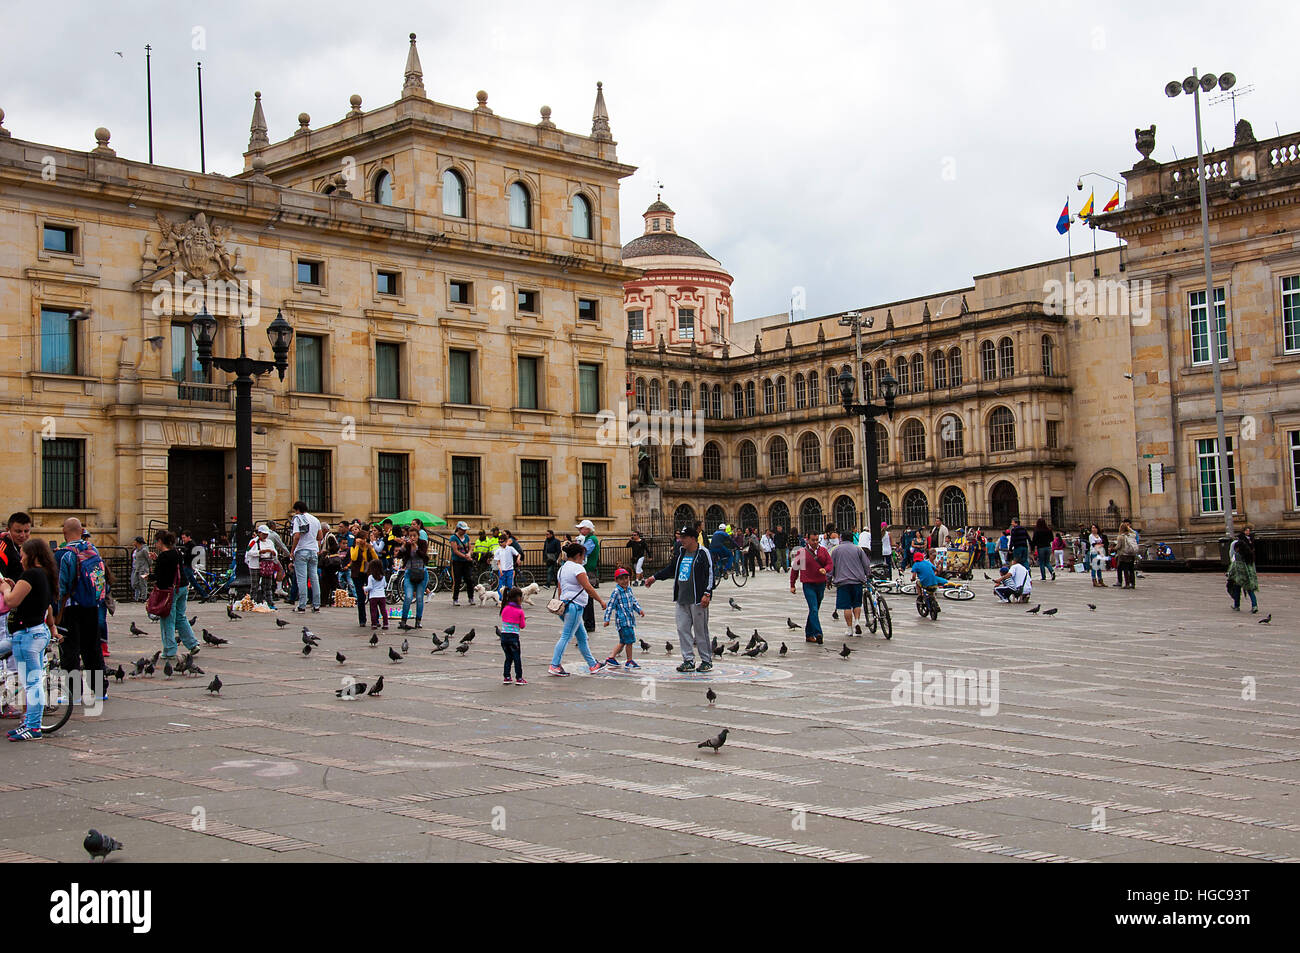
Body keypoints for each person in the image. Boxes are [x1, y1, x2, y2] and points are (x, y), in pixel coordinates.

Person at [0, 537, 59, 741]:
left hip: (28, 635)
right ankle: (30, 724)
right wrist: (15, 585)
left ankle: (33, 727)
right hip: (32, 633)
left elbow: (11, 600)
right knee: (30, 682)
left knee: (32, 683)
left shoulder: (32, 574)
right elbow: (30, 599)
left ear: (31, 555)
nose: (20, 558)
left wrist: (5, 588)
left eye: (23, 554)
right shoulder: (42, 574)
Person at [646, 526, 715, 672]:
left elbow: (710, 573)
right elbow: (671, 569)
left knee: (700, 630)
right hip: (682, 598)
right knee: (682, 629)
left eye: (684, 537)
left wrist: (707, 593)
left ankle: (706, 660)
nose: (681, 540)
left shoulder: (703, 553)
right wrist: (654, 577)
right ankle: (688, 660)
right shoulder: (681, 553)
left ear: (692, 538)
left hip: (697, 599)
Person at [55, 518, 107, 703]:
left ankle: (74, 693)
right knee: (92, 647)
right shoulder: (93, 549)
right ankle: (100, 689)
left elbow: (61, 586)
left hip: (72, 608)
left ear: (64, 532)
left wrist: (56, 608)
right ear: (82, 530)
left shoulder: (65, 554)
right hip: (92, 605)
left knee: (70, 650)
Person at [549, 542, 607, 676]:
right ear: (578, 555)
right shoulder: (578, 568)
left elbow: (560, 588)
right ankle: (555, 665)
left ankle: (593, 664)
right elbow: (588, 587)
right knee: (566, 636)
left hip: (565, 605)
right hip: (574, 607)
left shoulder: (562, 569)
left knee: (582, 637)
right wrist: (601, 601)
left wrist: (561, 604)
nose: (584, 558)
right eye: (583, 555)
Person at [152, 531, 201, 660]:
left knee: (167, 619)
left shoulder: (164, 556)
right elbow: (173, 567)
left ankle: (169, 650)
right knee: (180, 617)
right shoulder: (177, 552)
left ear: (161, 541)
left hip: (170, 590)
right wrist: (157, 559)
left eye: (156, 541)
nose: (155, 544)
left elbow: (159, 575)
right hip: (183, 586)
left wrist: (149, 575)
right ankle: (192, 644)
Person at [789, 527, 832, 644]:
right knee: (813, 608)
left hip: (821, 583)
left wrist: (825, 569)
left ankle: (809, 634)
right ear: (807, 540)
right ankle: (818, 633)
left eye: (817, 540)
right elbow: (795, 569)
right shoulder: (802, 553)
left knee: (815, 609)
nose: (815, 542)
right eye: (813, 540)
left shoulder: (823, 551)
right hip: (808, 584)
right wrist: (792, 584)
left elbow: (830, 563)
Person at [830, 531, 871, 637]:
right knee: (857, 604)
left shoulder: (836, 550)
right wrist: (868, 574)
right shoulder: (858, 549)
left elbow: (831, 566)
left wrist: (828, 578)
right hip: (857, 581)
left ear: (841, 539)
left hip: (842, 581)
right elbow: (866, 564)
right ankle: (857, 621)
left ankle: (849, 629)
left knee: (846, 606)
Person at [602, 567, 645, 668]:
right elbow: (610, 606)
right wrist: (606, 619)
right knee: (629, 641)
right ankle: (629, 661)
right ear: (616, 580)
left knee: (623, 641)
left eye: (626, 578)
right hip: (623, 621)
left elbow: (633, 602)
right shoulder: (617, 592)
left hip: (629, 620)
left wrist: (639, 610)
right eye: (621, 579)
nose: (624, 581)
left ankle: (611, 658)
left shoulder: (629, 590)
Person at [290, 501, 323, 613]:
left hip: (302, 550)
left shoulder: (297, 519)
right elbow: (320, 536)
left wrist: (292, 550)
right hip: (313, 550)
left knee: (302, 578)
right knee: (314, 577)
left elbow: (297, 536)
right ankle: (316, 604)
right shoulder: (315, 519)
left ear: (297, 509)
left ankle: (302, 605)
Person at [396, 529, 429, 629]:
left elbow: (424, 557)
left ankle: (418, 620)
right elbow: (399, 556)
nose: (412, 538)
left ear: (418, 536)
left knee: (419, 598)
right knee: (408, 597)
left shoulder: (423, 543)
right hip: (409, 572)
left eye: (414, 535)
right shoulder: (407, 544)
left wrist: (416, 547)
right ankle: (403, 621)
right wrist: (404, 546)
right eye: (410, 536)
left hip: (421, 573)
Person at [346, 527, 379, 627]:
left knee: (373, 597)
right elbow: (354, 558)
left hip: (368, 574)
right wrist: (357, 545)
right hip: (357, 574)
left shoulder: (368, 548)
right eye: (363, 539)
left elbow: (376, 559)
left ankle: (375, 619)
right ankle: (362, 620)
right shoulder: (353, 547)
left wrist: (371, 549)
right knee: (361, 597)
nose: (364, 541)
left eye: (366, 539)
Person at [576, 520, 601, 639]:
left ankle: (589, 623)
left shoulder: (591, 539)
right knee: (585, 596)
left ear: (588, 529)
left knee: (588, 596)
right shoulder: (587, 538)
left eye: (582, 528)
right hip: (585, 569)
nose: (580, 531)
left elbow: (584, 551)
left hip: (588, 570)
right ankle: (586, 622)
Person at [1226, 525, 1259, 613]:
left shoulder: (1238, 555)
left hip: (1239, 576)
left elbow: (1234, 566)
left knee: (1237, 590)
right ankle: (1254, 606)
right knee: (1251, 591)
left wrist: (1229, 573)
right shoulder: (1249, 555)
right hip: (1248, 576)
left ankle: (1237, 606)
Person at [499, 586, 527, 684]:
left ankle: (506, 676)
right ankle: (519, 678)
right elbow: (522, 626)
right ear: (518, 598)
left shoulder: (505, 608)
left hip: (503, 637)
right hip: (513, 637)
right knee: (516, 658)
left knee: (508, 657)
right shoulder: (520, 611)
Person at [246, 525, 279, 608]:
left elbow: (275, 552)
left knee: (268, 585)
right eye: (264, 534)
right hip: (255, 565)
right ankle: (252, 603)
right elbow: (248, 552)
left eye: (266, 534)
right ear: (259, 533)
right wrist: (260, 552)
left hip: (267, 566)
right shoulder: (253, 542)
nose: (265, 536)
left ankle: (270, 603)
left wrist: (273, 553)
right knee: (255, 586)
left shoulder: (270, 542)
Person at [447, 521, 473, 607]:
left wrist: (469, 554)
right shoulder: (453, 538)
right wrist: (465, 556)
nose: (465, 531)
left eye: (465, 530)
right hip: (457, 561)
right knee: (457, 580)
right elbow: (455, 551)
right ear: (458, 529)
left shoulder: (467, 537)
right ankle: (455, 598)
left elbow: (470, 547)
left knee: (469, 579)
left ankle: (471, 597)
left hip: (466, 562)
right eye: (463, 530)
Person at [492, 530, 517, 602]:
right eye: (499, 542)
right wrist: (500, 570)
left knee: (509, 585)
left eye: (502, 542)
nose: (500, 543)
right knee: (501, 585)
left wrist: (518, 559)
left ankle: (509, 599)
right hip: (502, 570)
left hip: (509, 569)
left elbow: (517, 554)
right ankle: (500, 599)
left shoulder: (510, 549)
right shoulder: (498, 550)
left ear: (505, 541)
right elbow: (498, 562)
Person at [364, 558, 388, 630]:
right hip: (382, 596)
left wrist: (364, 588)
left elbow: (370, 587)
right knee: (383, 610)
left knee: (373, 611)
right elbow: (385, 585)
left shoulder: (371, 577)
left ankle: (374, 624)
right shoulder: (383, 576)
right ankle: (385, 623)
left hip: (373, 596)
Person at [1114, 520, 1139, 589]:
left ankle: (1127, 583)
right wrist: (1128, 528)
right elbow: (1134, 533)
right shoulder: (1132, 535)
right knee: (1131, 569)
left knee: (1125, 569)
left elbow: (1118, 546)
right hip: (1131, 554)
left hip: (1124, 555)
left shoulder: (1120, 537)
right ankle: (1133, 584)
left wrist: (1113, 548)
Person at [130, 536, 150, 602]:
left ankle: (144, 597)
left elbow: (148, 558)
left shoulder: (144, 550)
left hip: (143, 569)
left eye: (135, 541)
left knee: (143, 583)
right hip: (137, 568)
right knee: (135, 583)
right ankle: (139, 595)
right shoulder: (137, 550)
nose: (134, 542)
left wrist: (149, 566)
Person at [1087, 523, 1108, 587]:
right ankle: (1094, 580)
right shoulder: (1091, 536)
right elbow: (1094, 544)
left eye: (1095, 528)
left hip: (1100, 552)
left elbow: (1103, 543)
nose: (1093, 529)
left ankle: (1100, 580)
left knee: (1099, 567)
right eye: (1092, 528)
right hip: (1094, 552)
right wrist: (1100, 545)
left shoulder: (1098, 535)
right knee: (1094, 567)